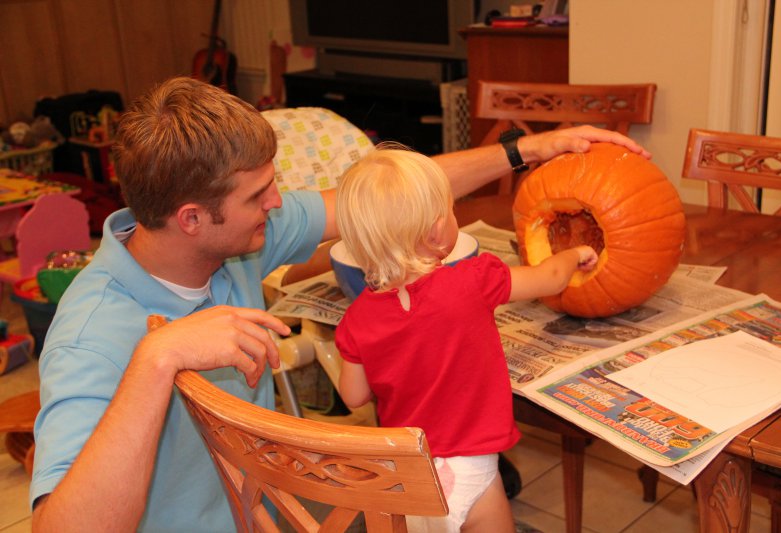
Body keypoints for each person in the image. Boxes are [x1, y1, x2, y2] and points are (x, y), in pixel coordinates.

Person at [30, 75, 647, 532]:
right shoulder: (91, 336)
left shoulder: (231, 241)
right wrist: (155, 359)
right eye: (258, 195)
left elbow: (391, 201)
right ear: (192, 218)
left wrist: (527, 151)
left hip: (275, 508)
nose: (279, 203)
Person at [333, 145, 598, 533]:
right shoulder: (474, 279)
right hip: (471, 472)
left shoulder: (356, 319)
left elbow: (354, 396)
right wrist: (575, 254)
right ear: (438, 230)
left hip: (407, 478)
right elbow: (550, 278)